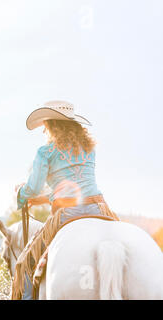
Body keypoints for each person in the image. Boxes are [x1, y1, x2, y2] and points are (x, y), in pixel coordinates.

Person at [12, 100, 118, 300]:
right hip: (99, 207)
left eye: (45, 125)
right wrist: (45, 199)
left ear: (51, 125)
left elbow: (33, 187)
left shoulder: (45, 152)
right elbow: (75, 187)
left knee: (24, 265)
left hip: (68, 214)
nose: (44, 130)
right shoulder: (89, 149)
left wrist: (20, 194)